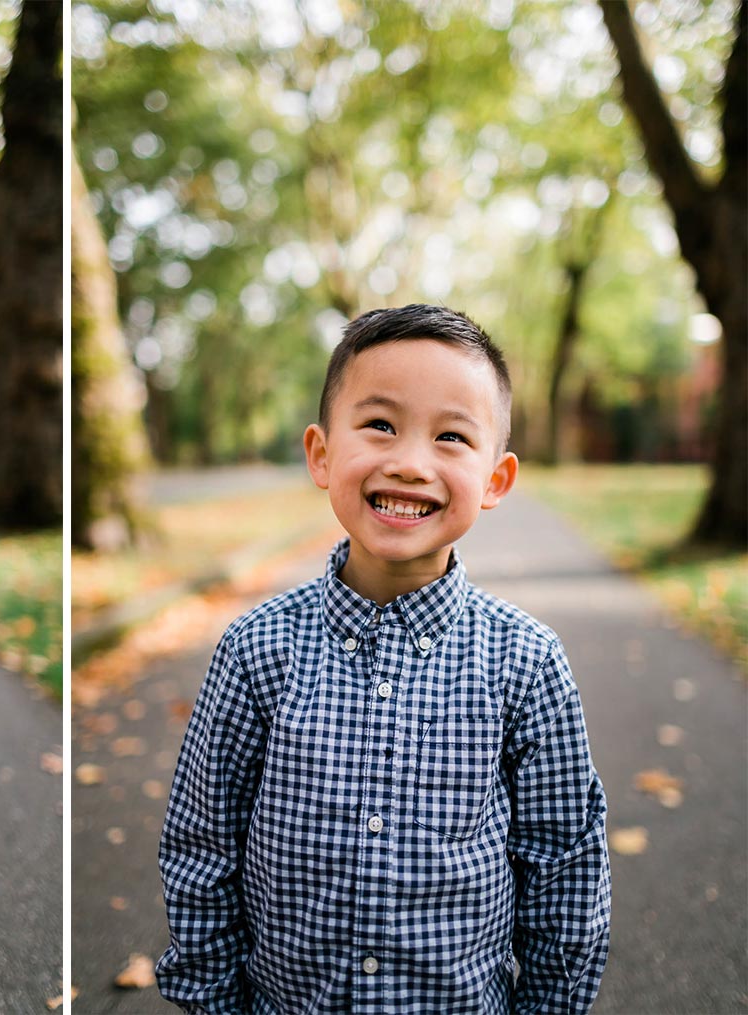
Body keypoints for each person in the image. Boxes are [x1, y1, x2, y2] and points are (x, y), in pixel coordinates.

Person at [156, 304, 611, 1012]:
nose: (409, 461)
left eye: (452, 436)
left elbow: (565, 871)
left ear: (496, 478)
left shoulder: (526, 664)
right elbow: (202, 845)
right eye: (380, 425)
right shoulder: (256, 651)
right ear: (321, 453)